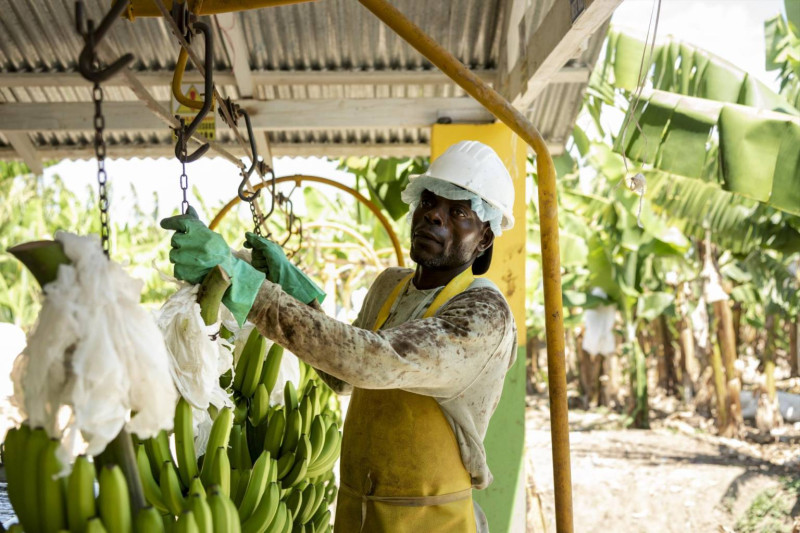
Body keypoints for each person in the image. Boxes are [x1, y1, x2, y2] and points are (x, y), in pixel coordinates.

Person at [162, 140, 517, 532]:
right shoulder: (391, 286)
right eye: (429, 202)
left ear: (484, 237)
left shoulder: (483, 313)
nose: (434, 216)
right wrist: (298, 294)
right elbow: (343, 375)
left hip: (427, 520)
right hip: (356, 512)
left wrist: (249, 287)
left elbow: (375, 362)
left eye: (459, 212)